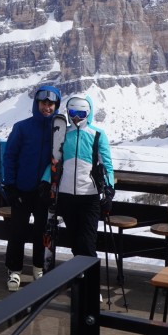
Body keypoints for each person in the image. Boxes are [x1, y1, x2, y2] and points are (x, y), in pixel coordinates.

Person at [1, 85, 62, 291]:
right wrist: (10, 185)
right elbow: (9, 157)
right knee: (17, 231)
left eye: (51, 104)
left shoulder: (59, 131)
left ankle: (38, 268)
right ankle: (14, 270)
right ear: (37, 104)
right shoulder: (22, 127)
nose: (47, 107)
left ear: (56, 106)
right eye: (44, 103)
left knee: (42, 231)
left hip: (44, 191)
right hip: (22, 189)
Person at [57, 95, 115, 258]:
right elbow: (54, 161)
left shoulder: (97, 134)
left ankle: (90, 274)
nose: (76, 117)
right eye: (73, 113)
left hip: (89, 196)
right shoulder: (63, 134)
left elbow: (106, 165)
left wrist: (109, 190)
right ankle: (79, 272)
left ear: (87, 114)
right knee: (74, 242)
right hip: (66, 195)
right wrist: (45, 182)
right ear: (68, 112)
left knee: (87, 242)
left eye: (81, 114)